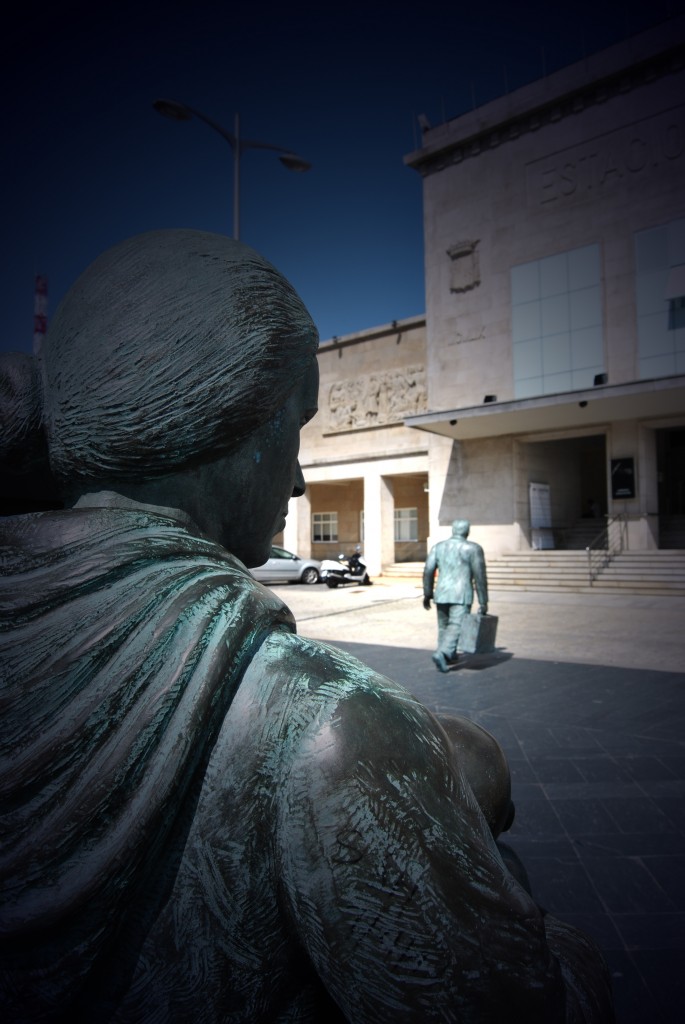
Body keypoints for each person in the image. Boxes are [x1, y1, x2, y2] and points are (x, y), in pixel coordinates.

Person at [0, 230, 614, 1022]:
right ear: (222, 424)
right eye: (294, 425)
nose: (296, 477)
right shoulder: (327, 731)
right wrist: (462, 844)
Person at [423, 519, 489, 673]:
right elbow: (480, 576)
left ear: (453, 530)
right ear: (467, 531)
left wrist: (427, 593)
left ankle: (448, 655)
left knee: (444, 626)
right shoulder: (473, 548)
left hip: (442, 592)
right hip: (461, 593)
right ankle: (443, 652)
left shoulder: (438, 547)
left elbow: (428, 570)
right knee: (456, 626)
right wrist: (483, 601)